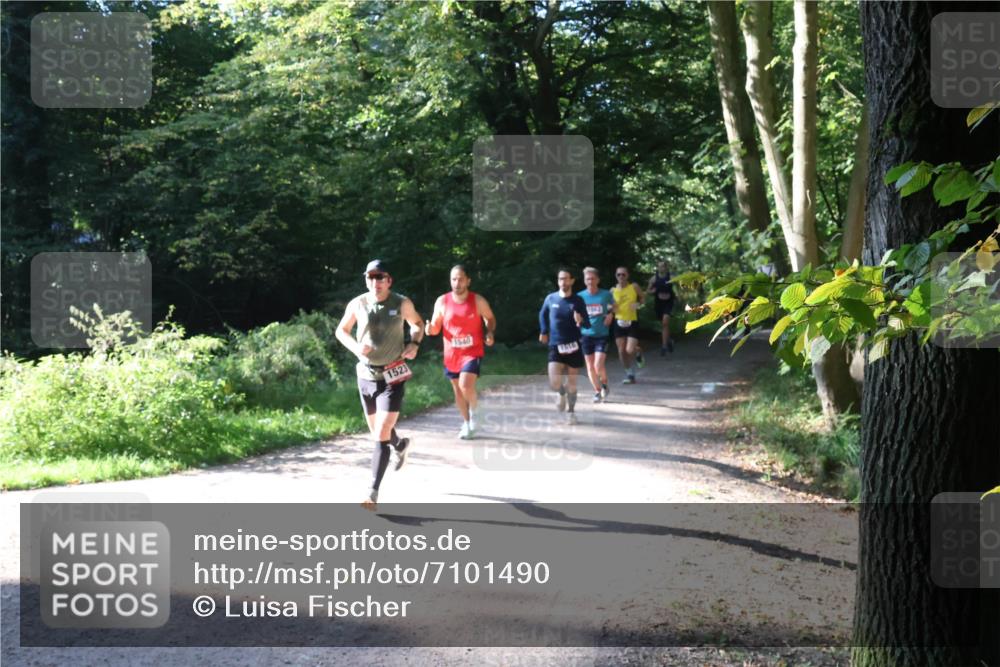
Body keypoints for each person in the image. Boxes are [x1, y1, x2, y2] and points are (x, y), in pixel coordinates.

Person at [336, 259, 424, 512]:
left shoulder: (401, 303)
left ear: (389, 280)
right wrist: (356, 348)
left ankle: (371, 492)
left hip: (392, 374)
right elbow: (341, 330)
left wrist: (414, 344)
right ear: (366, 280)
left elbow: (417, 324)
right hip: (365, 375)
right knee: (380, 432)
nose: (375, 282)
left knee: (381, 431)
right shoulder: (358, 303)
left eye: (380, 277)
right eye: (370, 277)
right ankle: (400, 445)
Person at [425, 264, 497, 439]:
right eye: (453, 279)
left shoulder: (477, 301)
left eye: (460, 279)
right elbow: (435, 327)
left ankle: (475, 411)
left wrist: (489, 332)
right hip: (452, 355)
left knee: (466, 385)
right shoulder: (442, 301)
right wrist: (429, 329)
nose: (457, 283)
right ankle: (466, 424)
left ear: (468, 281)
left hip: (472, 351)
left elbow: (490, 318)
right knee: (458, 391)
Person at [539, 268, 590, 424]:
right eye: (560, 279)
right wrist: (543, 331)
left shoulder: (578, 301)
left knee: (572, 382)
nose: (563, 282)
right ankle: (561, 393)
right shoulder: (551, 298)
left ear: (572, 281)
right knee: (555, 382)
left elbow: (587, 323)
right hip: (555, 345)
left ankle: (571, 413)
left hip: (573, 345)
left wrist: (580, 320)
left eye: (566, 279)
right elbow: (542, 314)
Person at [578, 267, 615, 402]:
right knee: (590, 365)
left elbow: (614, 306)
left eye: (593, 278)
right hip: (586, 334)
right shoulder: (580, 296)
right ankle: (597, 391)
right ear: (584, 280)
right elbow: (575, 311)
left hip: (602, 334)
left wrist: (611, 314)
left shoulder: (605, 294)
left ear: (598, 280)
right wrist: (577, 318)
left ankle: (604, 384)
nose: (590, 281)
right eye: (588, 279)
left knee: (598, 365)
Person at [611, 266, 645, 384]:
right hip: (618, 322)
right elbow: (607, 306)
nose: (621, 277)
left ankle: (638, 351)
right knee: (621, 351)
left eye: (623, 274)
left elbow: (643, 298)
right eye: (618, 274)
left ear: (627, 276)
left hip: (632, 322)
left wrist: (638, 304)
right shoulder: (612, 290)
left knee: (629, 350)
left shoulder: (633, 287)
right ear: (616, 276)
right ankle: (629, 374)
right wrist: (610, 308)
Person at [647, 260, 676, 356]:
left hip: (669, 302)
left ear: (666, 268)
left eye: (663, 266)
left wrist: (678, 295)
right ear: (657, 268)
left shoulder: (671, 277)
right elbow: (648, 291)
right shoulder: (654, 279)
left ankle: (664, 346)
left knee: (665, 323)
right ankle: (669, 341)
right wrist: (652, 291)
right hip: (659, 303)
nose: (661, 268)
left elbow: (677, 288)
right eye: (659, 267)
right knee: (663, 325)